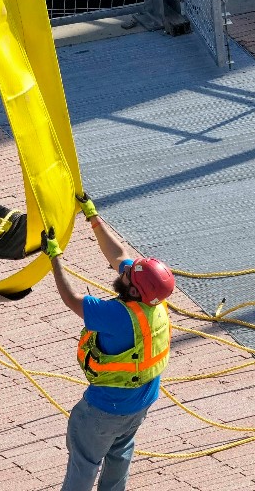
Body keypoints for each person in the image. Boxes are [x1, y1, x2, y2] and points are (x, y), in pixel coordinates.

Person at [45, 192, 174, 491]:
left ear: (132, 290)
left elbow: (70, 298)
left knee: (84, 465)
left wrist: (54, 257)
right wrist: (92, 217)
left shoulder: (116, 315)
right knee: (119, 459)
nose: (125, 271)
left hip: (103, 410)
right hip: (139, 404)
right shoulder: (155, 304)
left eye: (129, 275)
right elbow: (117, 255)